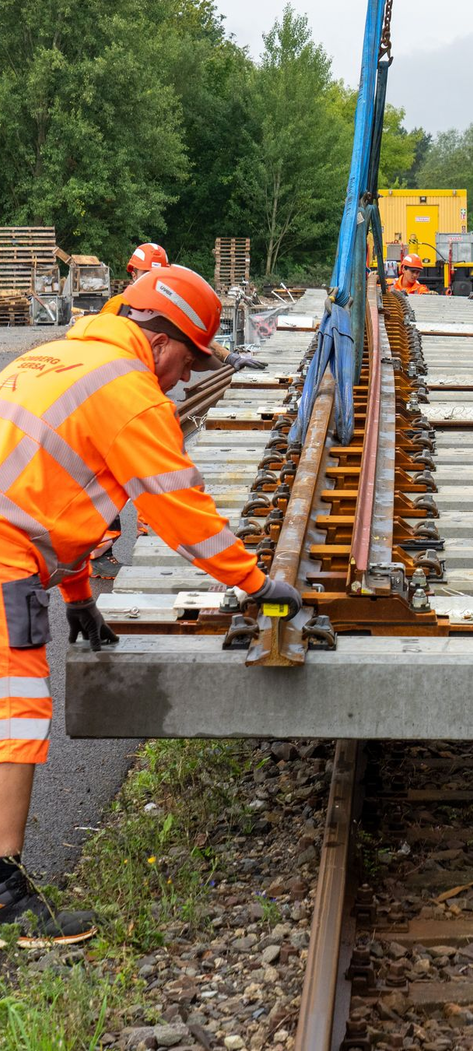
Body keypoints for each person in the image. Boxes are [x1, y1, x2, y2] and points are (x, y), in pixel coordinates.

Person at [0, 265, 302, 946]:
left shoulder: (63, 352)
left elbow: (54, 490)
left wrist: (79, 597)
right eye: (189, 363)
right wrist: (254, 584)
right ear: (162, 342)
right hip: (3, 555)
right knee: (17, 707)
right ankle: (5, 890)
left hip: (11, 540)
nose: (186, 380)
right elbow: (180, 511)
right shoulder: (129, 390)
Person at [92, 244, 266, 578]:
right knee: (112, 473)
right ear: (133, 274)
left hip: (145, 392)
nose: (152, 279)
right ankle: (101, 550)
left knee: (160, 466)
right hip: (121, 398)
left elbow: (188, 336)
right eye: (147, 274)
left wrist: (229, 357)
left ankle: (151, 531)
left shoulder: (163, 300)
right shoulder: (121, 308)